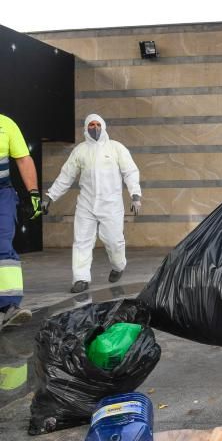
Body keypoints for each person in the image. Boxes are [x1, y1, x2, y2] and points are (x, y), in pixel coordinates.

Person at [42, 114, 142, 293]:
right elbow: (66, 176)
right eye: (91, 125)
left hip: (111, 204)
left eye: (97, 125)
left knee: (114, 241)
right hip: (86, 205)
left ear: (103, 126)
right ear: (86, 128)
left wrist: (135, 195)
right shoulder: (80, 150)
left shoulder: (116, 148)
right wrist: (50, 196)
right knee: (81, 241)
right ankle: (80, 278)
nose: (94, 128)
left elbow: (130, 172)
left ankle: (118, 266)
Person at [0, 114, 42, 327]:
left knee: (3, 244)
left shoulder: (6, 124)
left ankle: (9, 306)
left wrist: (33, 193)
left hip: (2, 194)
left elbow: (23, 159)